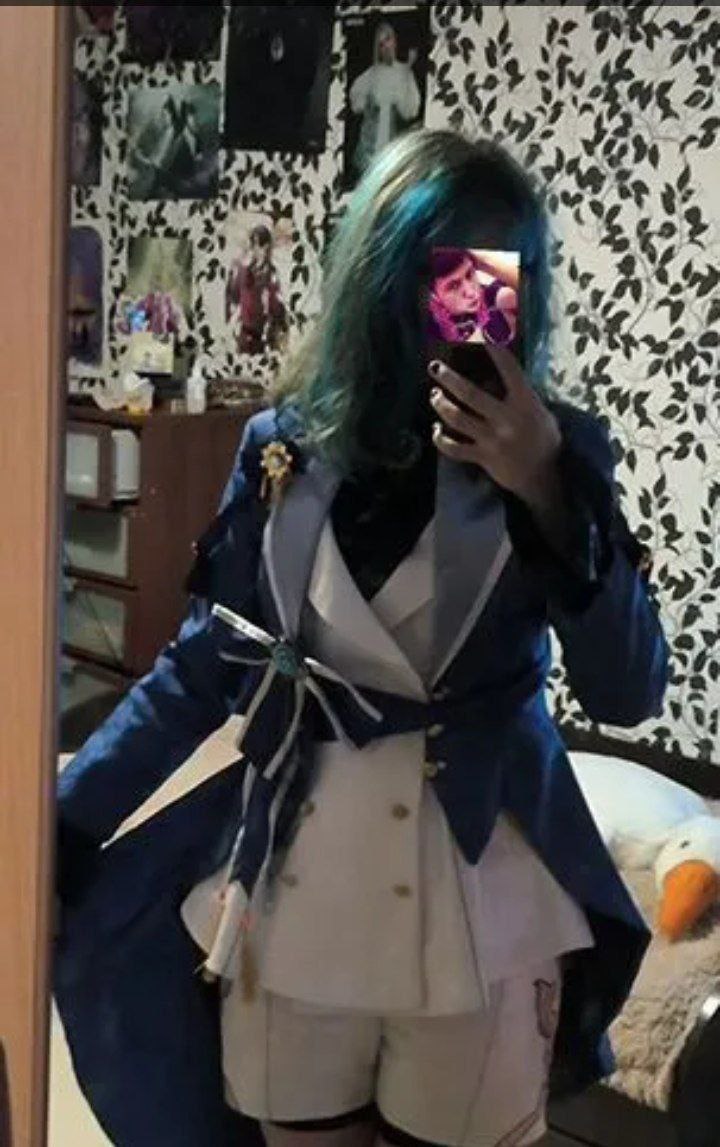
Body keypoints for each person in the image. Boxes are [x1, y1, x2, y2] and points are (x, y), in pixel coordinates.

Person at [55, 129, 668, 1147]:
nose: (461, 305)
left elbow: (629, 691)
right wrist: (67, 824)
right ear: (377, 280)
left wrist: (548, 492)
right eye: (436, 269)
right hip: (298, 899)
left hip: (478, 909)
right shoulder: (284, 448)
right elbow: (207, 662)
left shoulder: (562, 455)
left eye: (490, 272)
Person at [349, 20, 422, 180]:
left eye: (388, 39)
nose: (385, 47)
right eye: (381, 44)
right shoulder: (371, 74)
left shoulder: (404, 72)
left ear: (394, 41)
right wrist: (369, 103)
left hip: (393, 141)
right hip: (370, 143)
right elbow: (356, 102)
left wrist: (404, 78)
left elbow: (410, 111)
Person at [427, 247, 519, 347]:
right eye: (453, 286)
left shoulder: (487, 294)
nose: (471, 292)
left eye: (469, 274)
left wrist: (484, 263)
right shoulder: (429, 324)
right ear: (434, 296)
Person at [226, 224, 289, 354]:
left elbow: (276, 306)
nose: (254, 249)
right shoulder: (244, 271)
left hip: (263, 335)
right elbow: (234, 296)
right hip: (243, 334)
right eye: (253, 244)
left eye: (257, 244)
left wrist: (278, 327)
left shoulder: (271, 274)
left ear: (266, 247)